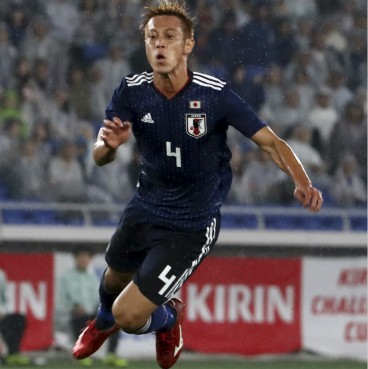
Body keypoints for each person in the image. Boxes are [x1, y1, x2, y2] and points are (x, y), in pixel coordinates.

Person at [71, 3, 324, 369]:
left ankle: (167, 319)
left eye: (169, 37)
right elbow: (98, 155)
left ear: (188, 45)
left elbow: (271, 142)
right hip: (144, 208)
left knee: (130, 316)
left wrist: (302, 181)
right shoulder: (131, 90)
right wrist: (108, 147)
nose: (159, 45)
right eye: (152, 37)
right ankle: (102, 320)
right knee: (112, 278)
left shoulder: (214, 95)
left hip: (190, 225)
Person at [56, 247, 126, 367]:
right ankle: (81, 352)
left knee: (114, 320)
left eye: (86, 257)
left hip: (92, 313)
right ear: (75, 259)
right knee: (80, 319)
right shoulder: (66, 277)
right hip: (74, 314)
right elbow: (61, 299)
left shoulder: (93, 277)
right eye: (80, 257)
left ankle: (111, 355)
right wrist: (74, 307)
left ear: (90, 259)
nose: (83, 260)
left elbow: (99, 298)